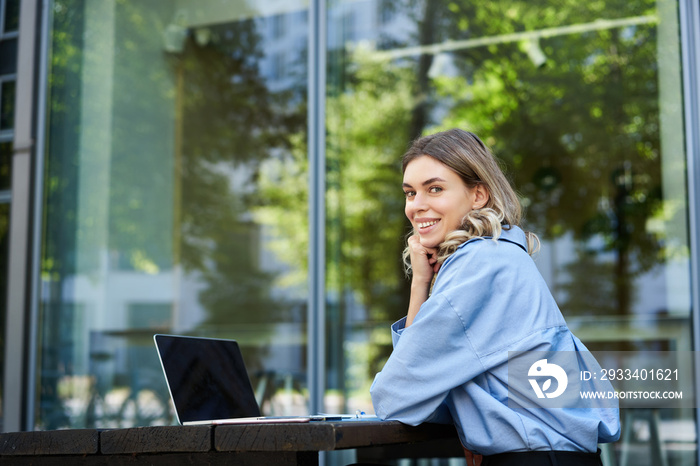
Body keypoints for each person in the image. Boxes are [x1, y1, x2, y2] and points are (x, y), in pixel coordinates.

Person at [370, 128, 620, 466]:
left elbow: (396, 396)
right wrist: (421, 284)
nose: (417, 206)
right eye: (410, 193)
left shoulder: (478, 266)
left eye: (435, 189)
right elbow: (424, 397)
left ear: (478, 196)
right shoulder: (499, 257)